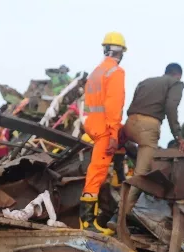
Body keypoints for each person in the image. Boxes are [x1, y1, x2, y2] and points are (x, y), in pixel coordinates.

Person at [122, 63, 184, 213]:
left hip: (129, 124)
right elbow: (171, 108)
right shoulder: (176, 83)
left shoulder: (145, 82)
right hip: (148, 128)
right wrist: (179, 136)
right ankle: (119, 216)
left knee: (125, 157)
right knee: (141, 176)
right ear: (177, 75)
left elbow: (132, 104)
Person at [79, 32, 127, 234]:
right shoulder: (116, 72)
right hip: (105, 129)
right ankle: (87, 222)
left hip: (92, 125)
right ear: (121, 52)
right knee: (96, 173)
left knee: (97, 169)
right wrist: (114, 135)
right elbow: (113, 106)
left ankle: (118, 176)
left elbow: (91, 104)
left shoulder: (96, 72)